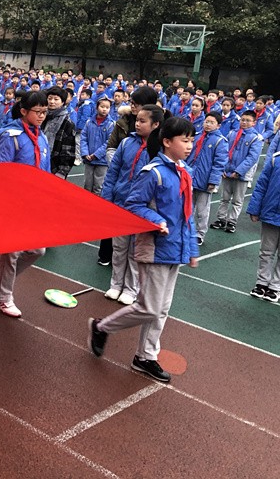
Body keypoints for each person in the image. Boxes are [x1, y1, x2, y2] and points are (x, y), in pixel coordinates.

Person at [89, 116, 199, 383]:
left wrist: (192, 247)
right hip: (154, 249)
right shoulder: (154, 172)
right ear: (166, 141)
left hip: (176, 249)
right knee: (149, 307)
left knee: (162, 309)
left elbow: (188, 215)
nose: (189, 145)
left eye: (191, 140)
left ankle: (145, 357)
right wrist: (156, 220)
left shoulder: (184, 172)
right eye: (184, 140)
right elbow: (133, 204)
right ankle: (102, 327)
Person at [0, 91, 51, 317]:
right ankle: (3, 298)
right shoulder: (11, 135)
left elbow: (45, 170)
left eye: (45, 112)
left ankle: (2, 277)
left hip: (34, 204)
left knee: (38, 249)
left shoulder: (41, 136)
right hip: (12, 204)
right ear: (24, 111)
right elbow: (1, 170)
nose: (42, 115)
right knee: (11, 252)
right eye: (38, 111)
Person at [100, 105, 164, 305]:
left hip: (142, 208)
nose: (137, 123)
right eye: (137, 120)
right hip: (120, 203)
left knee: (135, 251)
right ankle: (115, 284)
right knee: (119, 248)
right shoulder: (127, 142)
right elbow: (113, 172)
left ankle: (131, 288)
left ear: (156, 125)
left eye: (143, 121)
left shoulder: (159, 149)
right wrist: (107, 197)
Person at [211, 110, 262, 234]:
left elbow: (252, 158)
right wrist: (223, 167)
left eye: (247, 120)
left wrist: (238, 171)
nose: (244, 122)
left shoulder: (255, 138)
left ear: (254, 123)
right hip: (227, 172)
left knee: (237, 200)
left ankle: (232, 221)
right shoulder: (232, 133)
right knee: (224, 197)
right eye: (242, 120)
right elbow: (224, 151)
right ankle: (221, 219)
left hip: (242, 175)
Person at [185, 111, 228, 246]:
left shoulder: (220, 141)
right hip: (190, 177)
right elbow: (187, 155)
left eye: (211, 123)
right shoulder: (197, 137)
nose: (208, 124)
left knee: (202, 210)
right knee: (187, 207)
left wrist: (213, 181)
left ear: (218, 126)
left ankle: (199, 233)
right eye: (206, 121)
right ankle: (186, 230)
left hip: (205, 180)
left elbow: (219, 163)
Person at [246, 148, 280, 302]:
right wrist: (255, 208)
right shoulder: (275, 159)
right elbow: (262, 185)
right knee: (266, 251)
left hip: (271, 213)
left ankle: (275, 286)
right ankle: (261, 283)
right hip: (271, 213)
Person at [80, 96, 114, 195]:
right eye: (102, 106)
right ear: (96, 107)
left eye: (107, 107)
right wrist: (85, 153)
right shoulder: (89, 122)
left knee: (98, 186)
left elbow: (109, 142)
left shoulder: (111, 124)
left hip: (102, 161)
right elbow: (84, 138)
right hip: (88, 159)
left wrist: (96, 154)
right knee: (87, 185)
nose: (104, 109)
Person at [42, 86, 76, 179]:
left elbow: (68, 149)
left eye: (56, 99)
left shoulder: (67, 122)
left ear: (63, 102)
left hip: (55, 167)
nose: (52, 102)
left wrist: (62, 171)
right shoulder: (41, 116)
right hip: (39, 163)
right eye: (49, 98)